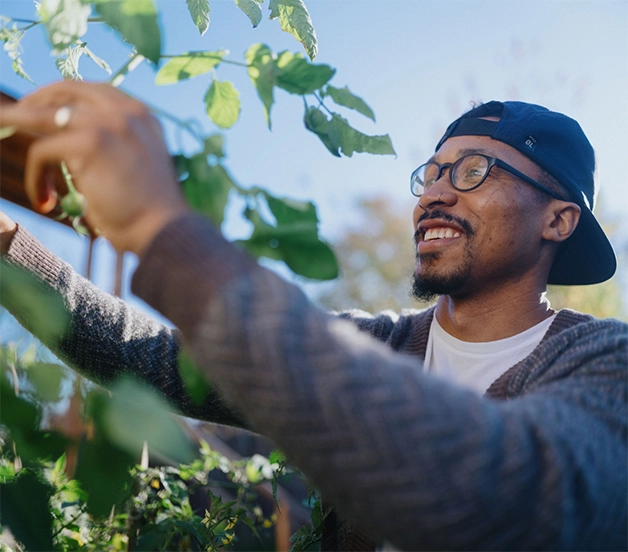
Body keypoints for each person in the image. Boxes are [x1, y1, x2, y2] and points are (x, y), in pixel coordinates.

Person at [0, 81, 627, 552]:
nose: (435, 192)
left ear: (557, 219)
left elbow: (502, 495)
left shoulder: (604, 364)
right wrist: (7, 248)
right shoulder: (375, 342)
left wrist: (163, 231)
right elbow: (146, 356)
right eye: (431, 173)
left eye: (473, 171)